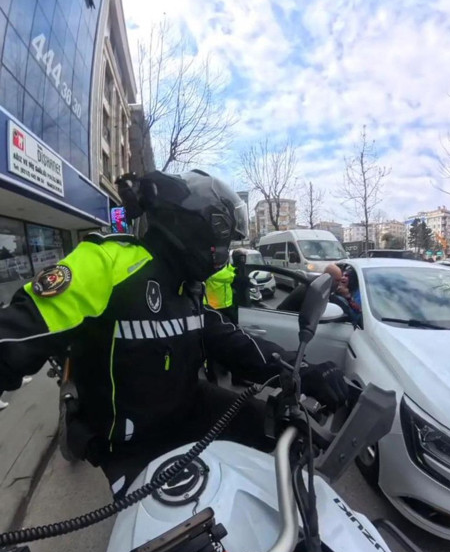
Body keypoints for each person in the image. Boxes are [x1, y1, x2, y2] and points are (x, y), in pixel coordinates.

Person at [0, 170, 347, 497]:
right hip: (130, 441)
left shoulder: (188, 287)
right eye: (223, 238)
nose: (225, 252)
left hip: (190, 407)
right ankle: (77, 432)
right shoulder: (107, 262)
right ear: (193, 224)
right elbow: (15, 335)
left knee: (281, 428)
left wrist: (299, 370)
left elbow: (229, 339)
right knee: (172, 546)